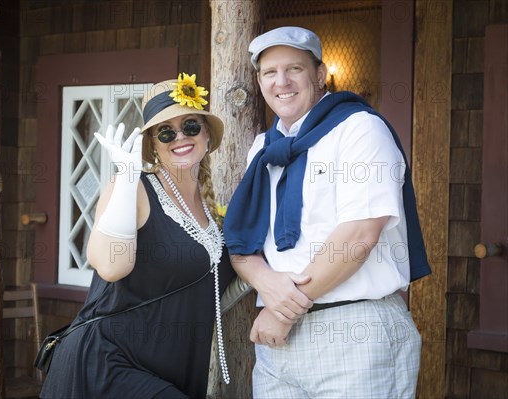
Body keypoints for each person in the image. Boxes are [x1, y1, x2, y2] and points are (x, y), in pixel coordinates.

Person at [223, 26, 432, 398]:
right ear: (259, 81)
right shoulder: (263, 149)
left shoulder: (360, 130)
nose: (281, 82)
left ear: (319, 75)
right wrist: (269, 287)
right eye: (269, 73)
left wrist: (284, 309)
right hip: (277, 344)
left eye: (295, 69)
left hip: (353, 332)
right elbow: (243, 242)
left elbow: (358, 236)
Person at [40, 73, 236, 399]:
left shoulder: (215, 211)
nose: (179, 137)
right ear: (153, 144)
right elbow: (109, 266)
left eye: (189, 126)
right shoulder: (134, 189)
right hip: (108, 366)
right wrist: (128, 177)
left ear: (204, 133)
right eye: (165, 132)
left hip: (172, 371)